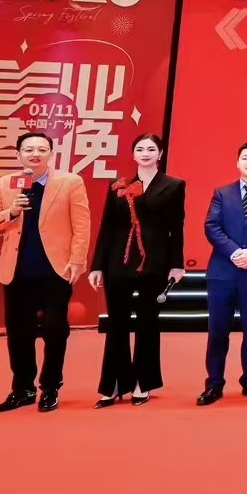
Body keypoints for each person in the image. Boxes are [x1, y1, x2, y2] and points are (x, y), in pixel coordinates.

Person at [0, 131, 91, 413]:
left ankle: (50, 387)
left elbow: (81, 225)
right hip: (17, 271)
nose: (35, 154)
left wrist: (77, 261)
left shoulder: (70, 182)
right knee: (19, 332)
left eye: (42, 149)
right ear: (18, 154)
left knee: (55, 330)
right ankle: (22, 389)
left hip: (55, 269)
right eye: (29, 149)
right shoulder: (6, 183)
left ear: (51, 154)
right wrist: (12, 212)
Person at [88, 133, 185, 408]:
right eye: (140, 149)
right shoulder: (119, 185)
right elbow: (107, 226)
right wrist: (97, 265)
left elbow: (176, 227)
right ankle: (113, 385)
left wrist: (176, 264)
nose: (145, 153)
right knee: (117, 322)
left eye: (151, 149)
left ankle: (144, 381)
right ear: (133, 154)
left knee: (147, 321)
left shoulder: (174, 185)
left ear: (160, 154)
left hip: (155, 260)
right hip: (118, 260)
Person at [199, 141, 247, 405]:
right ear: (237, 162)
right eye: (245, 157)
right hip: (223, 271)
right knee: (217, 330)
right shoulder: (222, 193)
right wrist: (235, 253)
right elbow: (212, 226)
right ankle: (214, 384)